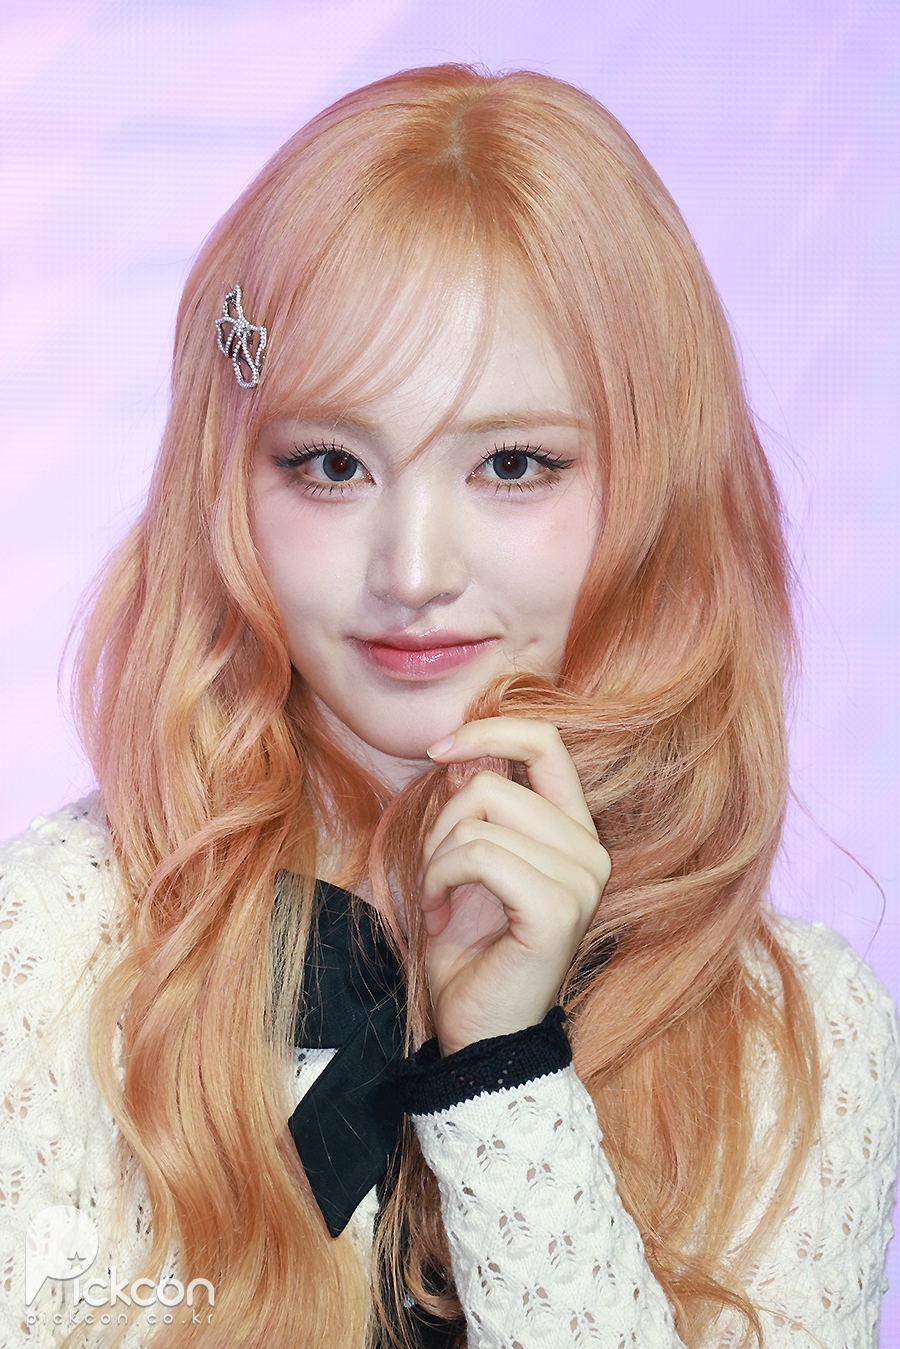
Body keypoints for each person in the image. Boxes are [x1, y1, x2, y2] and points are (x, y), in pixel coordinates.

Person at [1, 64, 897, 1349]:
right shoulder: (48, 954)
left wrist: (503, 1077)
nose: (414, 570)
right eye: (331, 463)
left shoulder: (796, 1042)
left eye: (512, 463)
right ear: (227, 481)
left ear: (658, 484)